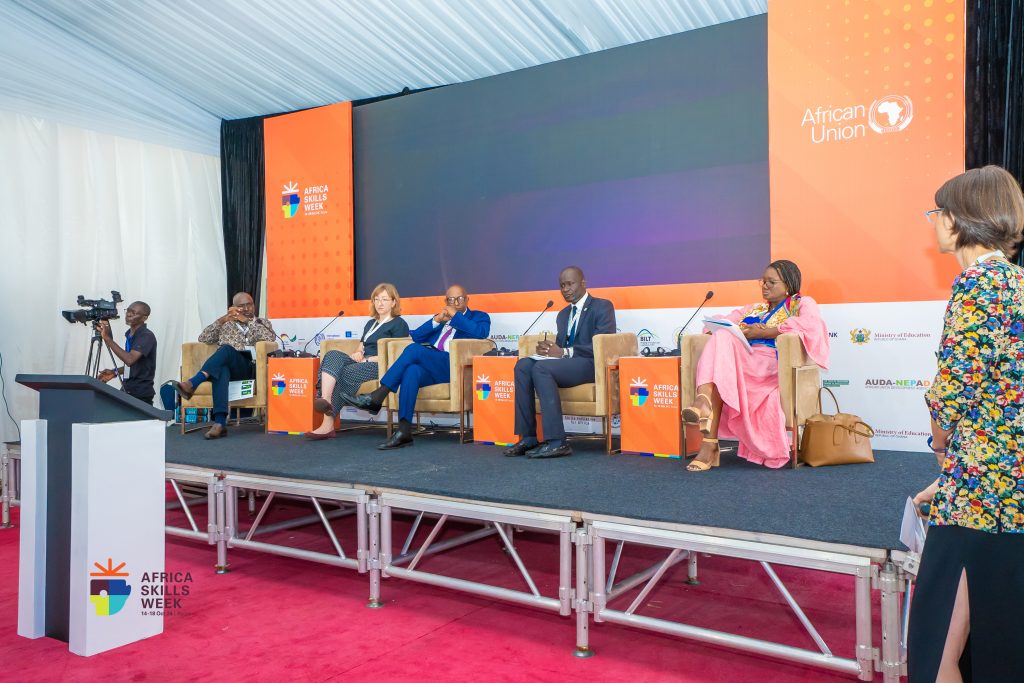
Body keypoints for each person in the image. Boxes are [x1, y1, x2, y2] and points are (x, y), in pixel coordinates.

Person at [908, 166, 1024, 682]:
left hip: (977, 498)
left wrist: (939, 448)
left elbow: (950, 395)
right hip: (1008, 489)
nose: (932, 222)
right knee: (998, 642)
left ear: (957, 221)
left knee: (937, 648)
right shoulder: (1017, 283)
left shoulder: (976, 286)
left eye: (936, 212)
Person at [681, 260, 829, 471]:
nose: (764, 286)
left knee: (721, 363)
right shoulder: (754, 308)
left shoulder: (801, 304)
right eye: (763, 281)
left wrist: (765, 332)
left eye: (771, 282)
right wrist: (734, 328)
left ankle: (708, 437)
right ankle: (704, 407)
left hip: (769, 364)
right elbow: (721, 321)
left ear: (788, 285)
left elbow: (811, 325)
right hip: (743, 359)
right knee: (722, 336)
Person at [342, 284, 490, 450]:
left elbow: (481, 332)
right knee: (411, 371)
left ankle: (377, 396)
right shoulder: (441, 320)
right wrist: (436, 320)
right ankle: (404, 431)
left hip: (453, 365)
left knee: (413, 350)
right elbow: (417, 336)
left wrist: (456, 316)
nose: (455, 302)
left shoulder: (479, 317)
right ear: (445, 300)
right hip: (433, 365)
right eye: (450, 299)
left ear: (467, 299)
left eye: (460, 299)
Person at [504, 266, 616, 459]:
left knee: (541, 368)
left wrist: (564, 352)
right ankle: (529, 437)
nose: (565, 289)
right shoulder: (562, 315)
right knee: (523, 366)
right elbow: (562, 346)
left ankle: (557, 442)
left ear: (583, 283)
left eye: (570, 284)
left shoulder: (602, 306)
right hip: (568, 365)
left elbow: (602, 344)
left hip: (590, 364)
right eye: (562, 285)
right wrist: (549, 350)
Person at [306, 283, 410, 440]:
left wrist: (367, 358)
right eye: (376, 299)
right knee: (332, 355)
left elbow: (397, 354)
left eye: (384, 299)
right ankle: (325, 399)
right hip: (362, 362)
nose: (380, 303)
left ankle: (327, 426)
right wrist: (357, 353)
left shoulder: (399, 324)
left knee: (344, 373)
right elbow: (361, 346)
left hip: (381, 366)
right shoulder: (371, 323)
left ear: (394, 302)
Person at [171, 292, 277, 439]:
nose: (246, 308)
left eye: (249, 304)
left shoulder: (261, 322)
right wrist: (221, 320)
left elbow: (270, 338)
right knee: (221, 369)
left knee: (225, 349)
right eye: (241, 306)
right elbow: (203, 338)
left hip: (248, 368)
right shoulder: (226, 324)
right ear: (232, 307)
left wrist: (248, 321)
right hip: (227, 368)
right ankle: (220, 423)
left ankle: (193, 383)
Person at [96, 301, 157, 404]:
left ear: (144, 318)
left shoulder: (146, 336)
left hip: (140, 394)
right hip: (128, 389)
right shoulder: (130, 334)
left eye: (134, 312)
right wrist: (114, 372)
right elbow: (137, 366)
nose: (129, 314)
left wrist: (107, 339)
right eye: (128, 311)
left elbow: (130, 360)